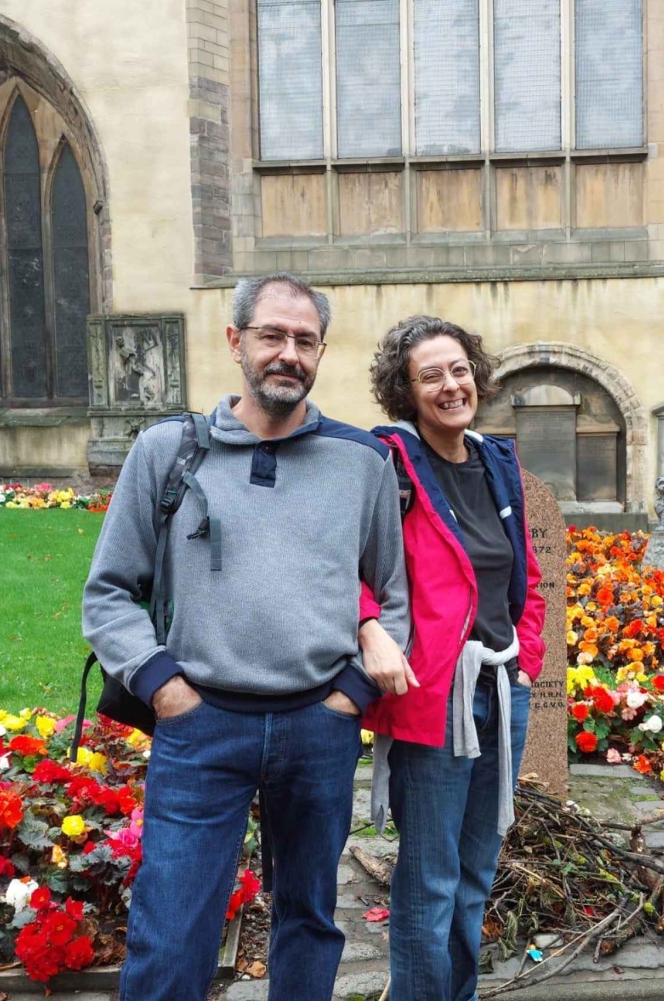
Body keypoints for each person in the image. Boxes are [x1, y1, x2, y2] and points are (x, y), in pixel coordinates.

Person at [82, 273, 412, 1001]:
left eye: (304, 340)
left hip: (317, 725)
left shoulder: (360, 463)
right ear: (236, 341)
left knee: (309, 919)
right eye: (272, 334)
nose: (288, 353)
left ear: (321, 351)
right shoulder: (166, 451)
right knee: (172, 929)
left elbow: (393, 594)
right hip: (200, 724)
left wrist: (350, 696)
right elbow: (108, 591)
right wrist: (163, 687)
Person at [354, 315, 546, 1001]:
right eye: (430, 374)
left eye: (459, 368)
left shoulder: (497, 461)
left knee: (475, 876)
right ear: (406, 390)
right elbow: (339, 562)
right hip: (434, 696)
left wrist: (528, 653)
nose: (450, 384)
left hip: (502, 689)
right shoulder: (386, 461)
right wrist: (368, 625)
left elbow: (521, 569)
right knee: (430, 883)